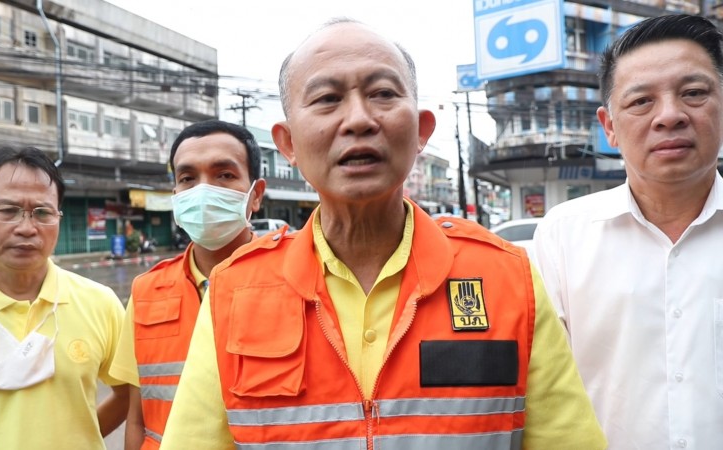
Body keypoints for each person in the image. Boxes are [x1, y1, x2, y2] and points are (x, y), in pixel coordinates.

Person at [160, 19, 606, 450]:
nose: (358, 119)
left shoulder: (508, 278)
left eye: (383, 93)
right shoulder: (233, 290)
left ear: (421, 131)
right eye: (327, 98)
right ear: (288, 144)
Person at [533, 14, 723, 449]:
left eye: (693, 93)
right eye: (641, 102)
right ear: (610, 127)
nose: (670, 116)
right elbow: (542, 393)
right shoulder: (563, 236)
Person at [0, 146, 128, 450]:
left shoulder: (101, 303)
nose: (26, 228)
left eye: (43, 212)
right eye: (7, 210)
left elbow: (128, 395)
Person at [108, 120, 266, 449]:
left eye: (224, 175)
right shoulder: (146, 291)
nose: (203, 191)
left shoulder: (297, 282)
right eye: (187, 178)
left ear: (256, 195)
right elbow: (138, 418)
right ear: (175, 195)